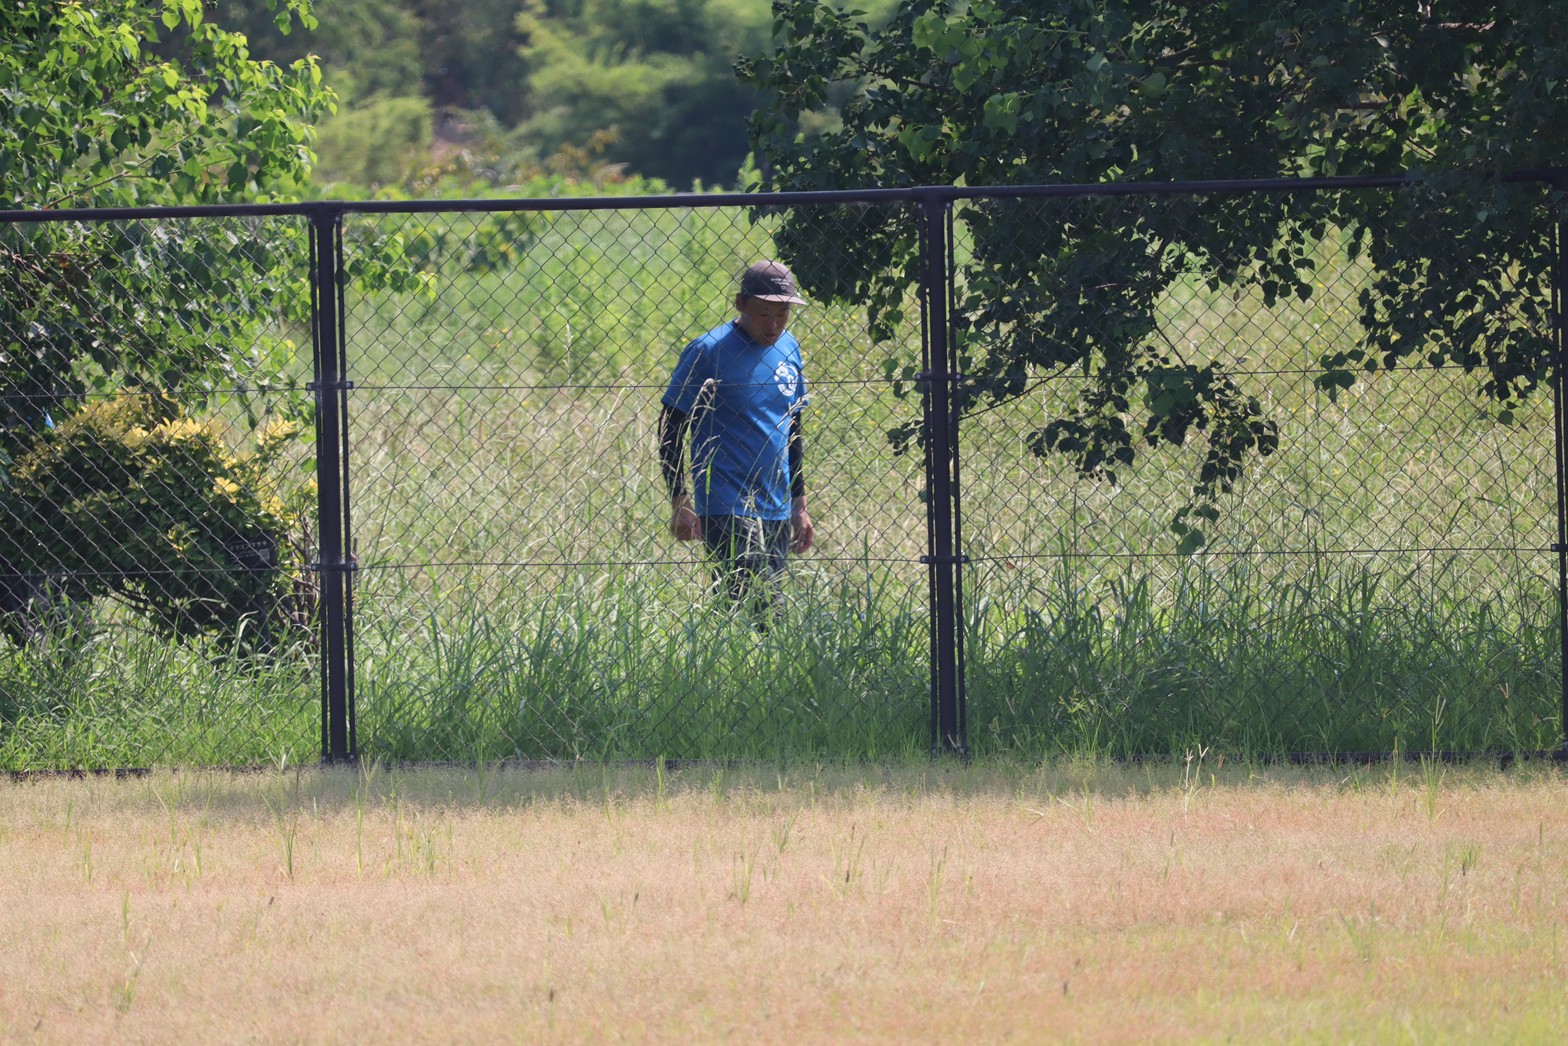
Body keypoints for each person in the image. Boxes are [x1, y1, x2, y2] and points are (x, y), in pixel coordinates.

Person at [659, 260, 816, 623]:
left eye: (782, 314)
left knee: (756, 609)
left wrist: (799, 502)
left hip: (775, 502)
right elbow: (670, 425)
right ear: (739, 303)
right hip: (726, 500)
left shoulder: (789, 348)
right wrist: (680, 499)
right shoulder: (708, 351)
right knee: (758, 608)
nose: (774, 325)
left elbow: (794, 427)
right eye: (763, 314)